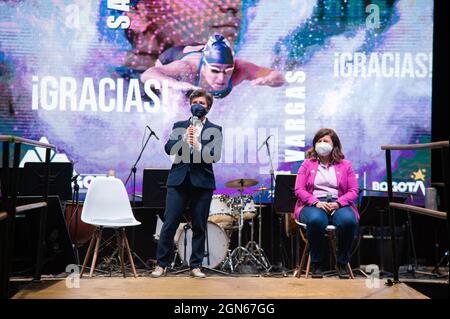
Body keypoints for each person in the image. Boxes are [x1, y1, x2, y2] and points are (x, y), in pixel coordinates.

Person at [151, 89, 222, 278]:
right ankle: (161, 264)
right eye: (195, 102)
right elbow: (168, 149)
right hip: (178, 181)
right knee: (170, 223)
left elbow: (215, 156)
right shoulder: (179, 125)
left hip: (203, 182)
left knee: (199, 226)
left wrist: (198, 145)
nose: (198, 105)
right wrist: (183, 138)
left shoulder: (215, 129)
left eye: (202, 103)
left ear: (208, 107)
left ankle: (195, 265)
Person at [293, 128, 359, 279]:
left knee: (349, 221)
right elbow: (299, 190)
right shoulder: (307, 164)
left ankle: (341, 263)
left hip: (338, 204)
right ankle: (317, 264)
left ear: (334, 145)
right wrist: (315, 202)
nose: (322, 144)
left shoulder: (345, 165)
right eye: (319, 141)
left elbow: (354, 190)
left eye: (326, 141)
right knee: (316, 220)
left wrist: (339, 203)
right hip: (313, 204)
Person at [140, 33, 285, 98]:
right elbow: (147, 75)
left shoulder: (241, 68)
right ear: (204, 66)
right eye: (215, 71)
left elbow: (279, 77)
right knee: (176, 103)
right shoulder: (188, 67)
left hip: (202, 54)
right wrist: (176, 84)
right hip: (172, 56)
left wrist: (268, 80)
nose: (222, 77)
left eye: (227, 70)